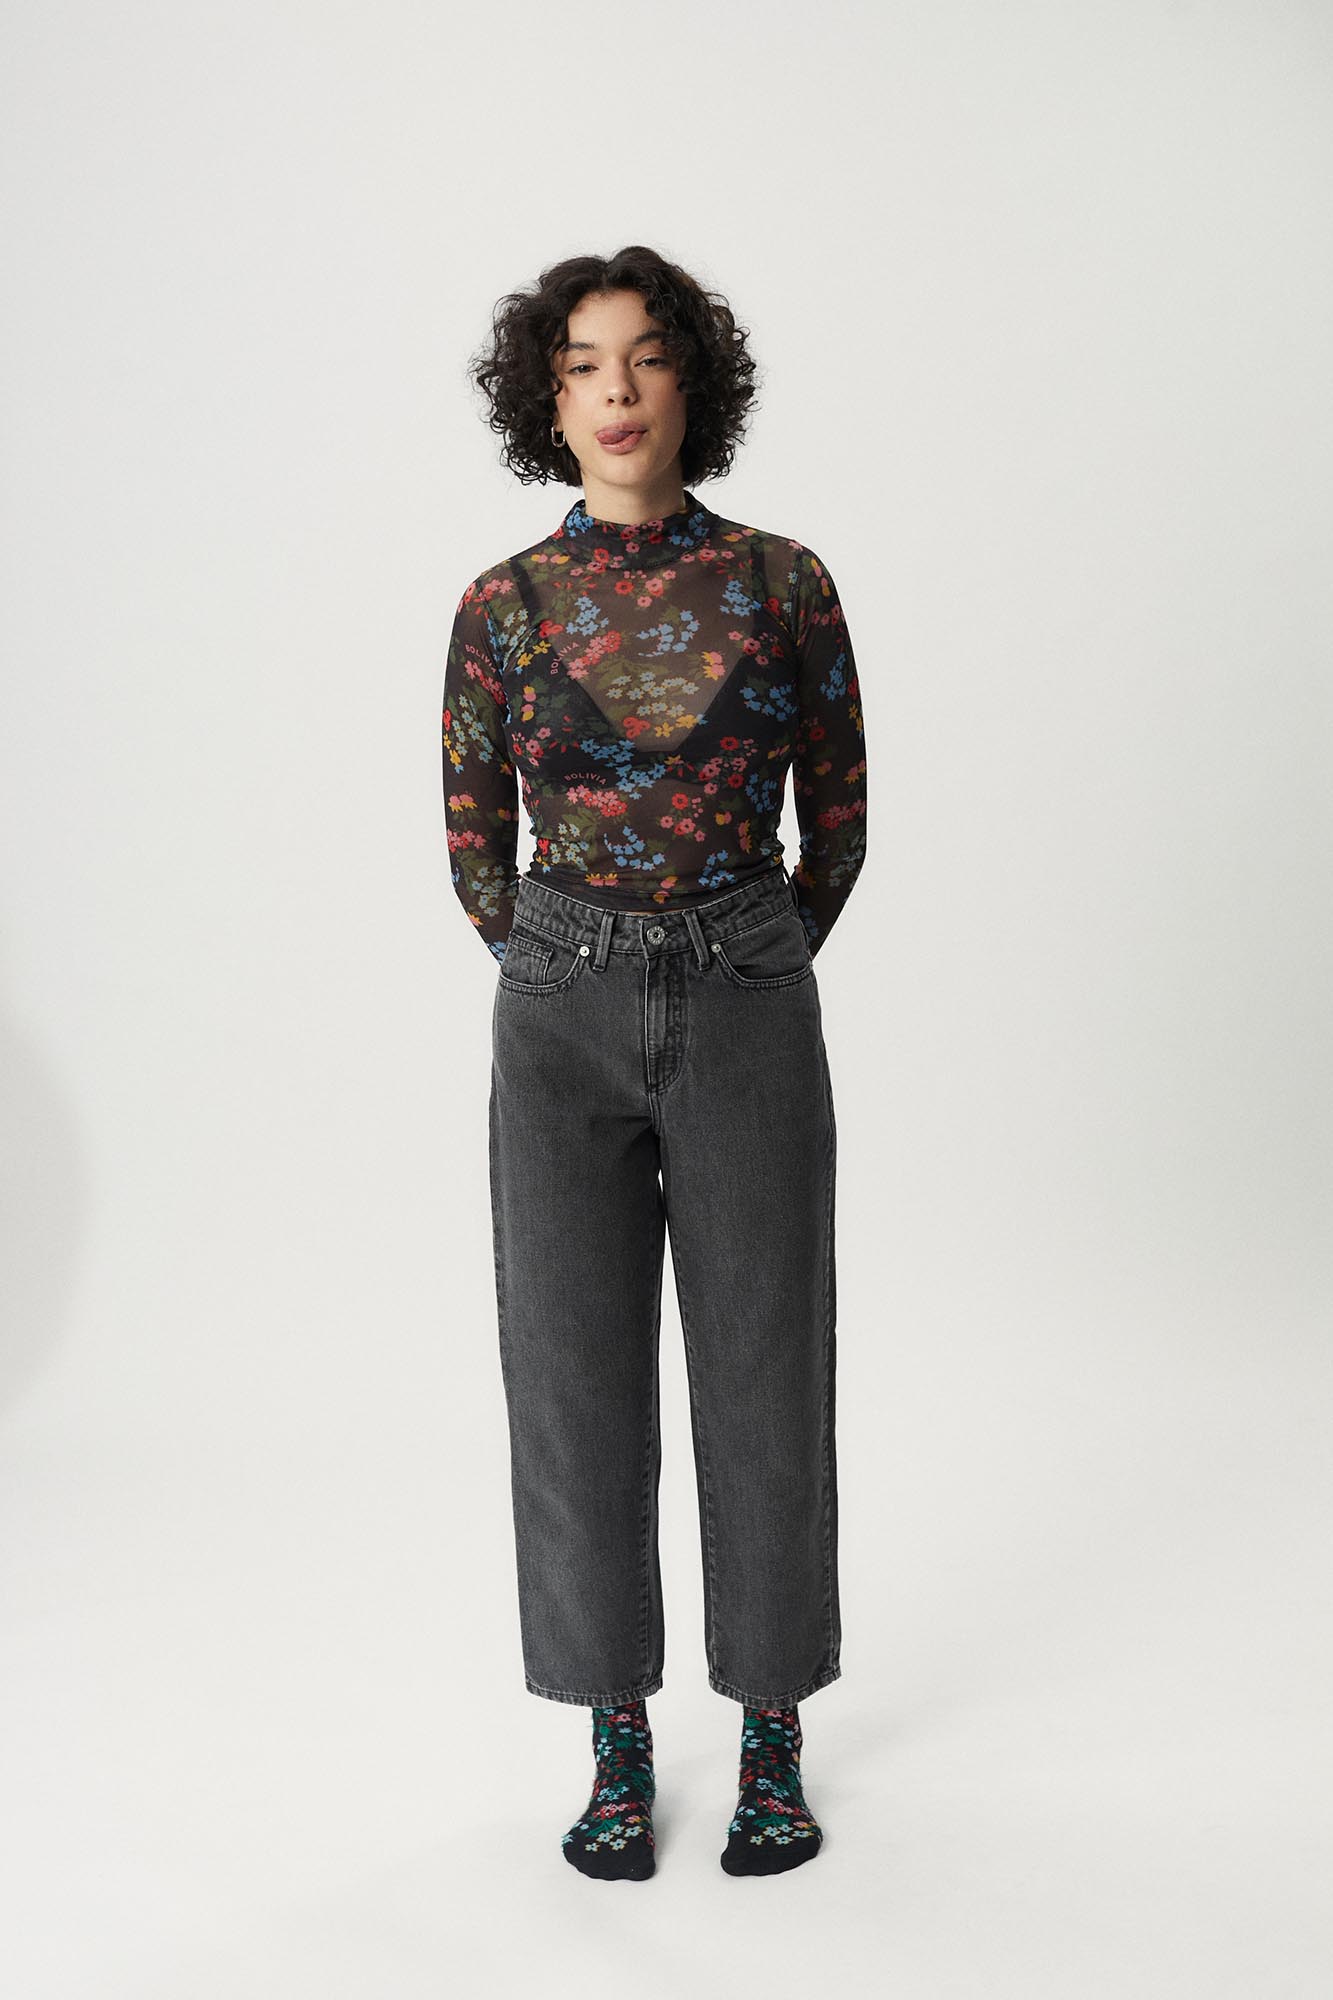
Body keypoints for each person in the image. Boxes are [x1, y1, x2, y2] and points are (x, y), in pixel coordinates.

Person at [441, 245, 867, 1880]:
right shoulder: (503, 606)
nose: (614, 393)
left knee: (765, 1366)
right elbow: (474, 844)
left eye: (643, 358)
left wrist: (750, 950)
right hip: (559, 1008)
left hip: (747, 990)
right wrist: (562, 962)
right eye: (579, 367)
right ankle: (614, 1740)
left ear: (693, 379)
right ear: (545, 403)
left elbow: (837, 818)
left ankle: (771, 1736)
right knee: (570, 1376)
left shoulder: (783, 583)